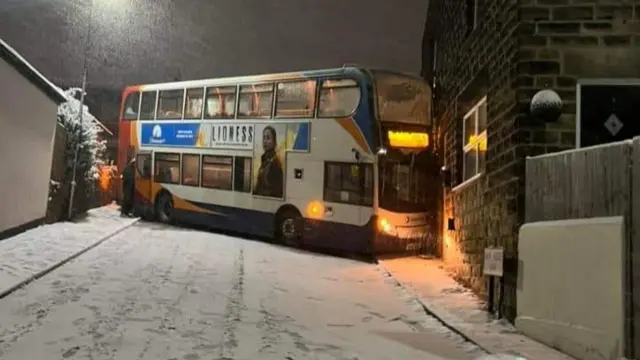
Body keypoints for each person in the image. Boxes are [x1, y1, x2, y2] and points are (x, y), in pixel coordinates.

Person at [254, 126, 284, 198]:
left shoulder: (275, 164)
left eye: (268, 138)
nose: (265, 141)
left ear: (274, 142)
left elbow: (276, 191)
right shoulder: (265, 160)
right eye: (264, 138)